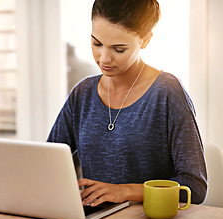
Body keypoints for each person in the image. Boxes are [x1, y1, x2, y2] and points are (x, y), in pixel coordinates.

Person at [47, 0, 207, 206]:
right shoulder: (82, 93)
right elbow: (48, 164)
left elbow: (194, 187)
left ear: (145, 40)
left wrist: (125, 191)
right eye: (96, 43)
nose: (103, 58)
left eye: (118, 49)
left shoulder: (167, 92)